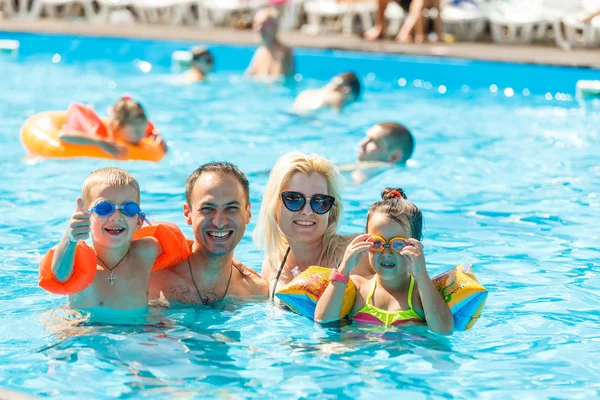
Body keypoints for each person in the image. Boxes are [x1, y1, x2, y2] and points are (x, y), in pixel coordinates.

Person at [41, 167, 186, 322]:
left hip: (138, 330)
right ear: (86, 217)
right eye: (104, 208)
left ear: (138, 221)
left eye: (128, 209)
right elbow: (60, 275)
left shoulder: (146, 251)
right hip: (88, 331)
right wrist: (69, 238)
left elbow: (187, 253)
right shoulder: (78, 262)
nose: (116, 216)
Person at [314, 188, 453, 334]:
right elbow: (323, 321)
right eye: (377, 242)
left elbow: (443, 330)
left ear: (415, 246)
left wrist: (422, 274)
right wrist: (344, 269)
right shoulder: (358, 287)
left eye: (397, 244)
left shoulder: (420, 294)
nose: (387, 253)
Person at [149, 162, 269, 305]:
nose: (219, 222)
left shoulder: (256, 293)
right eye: (207, 209)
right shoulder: (150, 278)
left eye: (231, 208)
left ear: (247, 213)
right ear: (188, 213)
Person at [253, 152, 362, 299]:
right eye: (293, 199)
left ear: (332, 210)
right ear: (273, 205)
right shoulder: (273, 263)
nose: (307, 211)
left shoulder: (356, 255)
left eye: (319, 201)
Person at [59, 96, 166, 159]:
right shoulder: (98, 133)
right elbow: (63, 136)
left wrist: (161, 143)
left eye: (143, 130)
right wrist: (100, 142)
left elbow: (153, 132)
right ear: (116, 127)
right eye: (137, 131)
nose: (142, 135)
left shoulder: (138, 127)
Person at [339, 122, 415, 184]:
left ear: (394, 156)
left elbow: (356, 183)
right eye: (366, 137)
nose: (362, 144)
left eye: (372, 141)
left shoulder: (372, 169)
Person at [246, 6, 294, 80]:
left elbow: (278, 84)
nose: (259, 28)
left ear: (275, 26)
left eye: (264, 24)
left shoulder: (283, 54)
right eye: (256, 23)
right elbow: (247, 77)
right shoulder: (261, 51)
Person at [364, 0, 445, 44]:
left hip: (420, 6)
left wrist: (438, 33)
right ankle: (380, 27)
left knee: (418, 3)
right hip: (405, 3)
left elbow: (438, 11)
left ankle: (405, 32)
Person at [291, 72, 361, 114]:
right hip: (309, 119)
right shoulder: (337, 97)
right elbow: (337, 117)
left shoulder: (305, 93)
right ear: (347, 90)